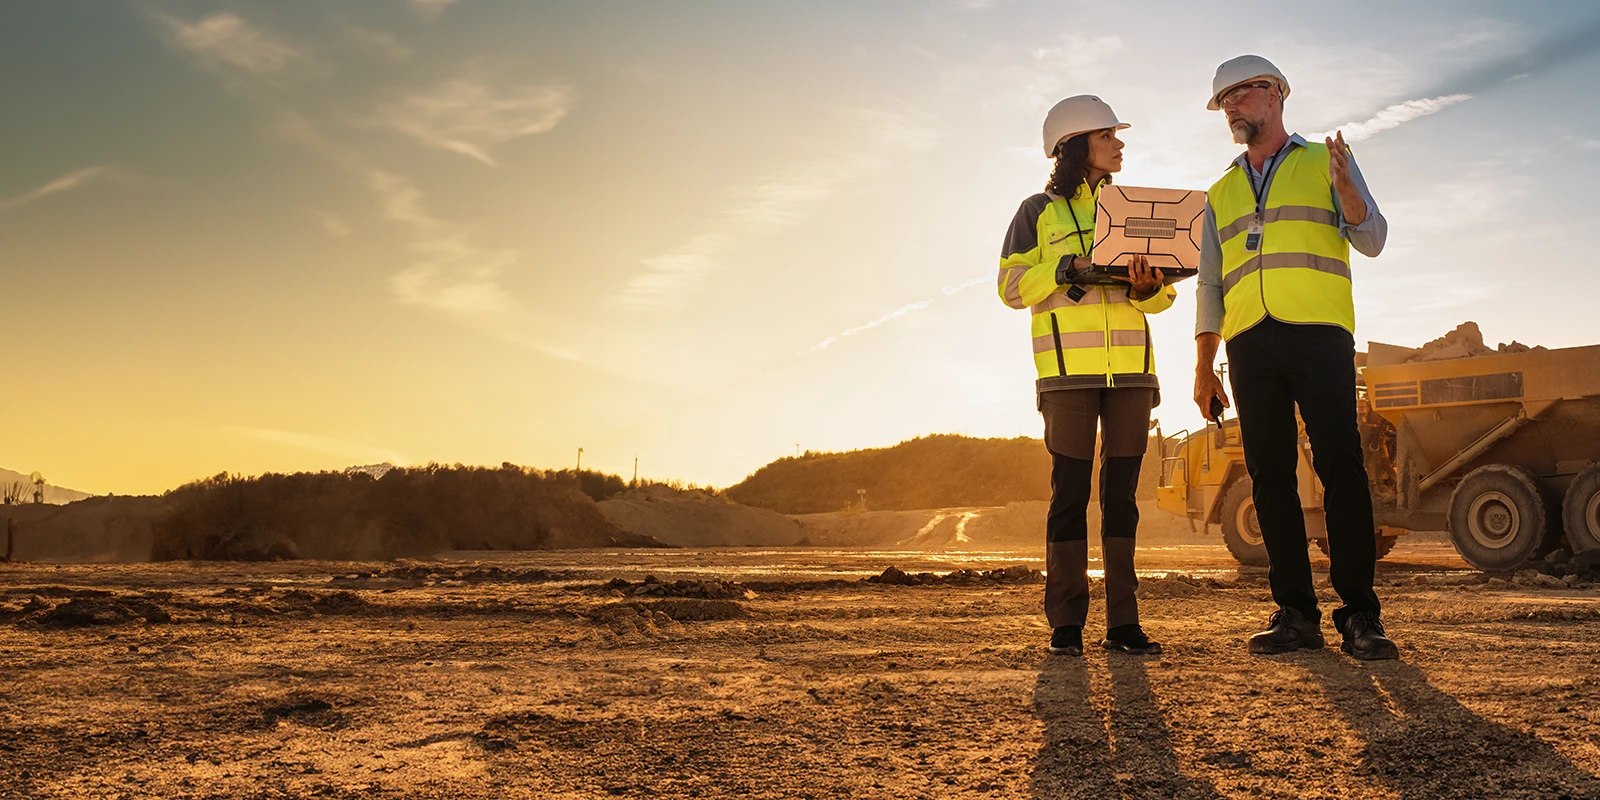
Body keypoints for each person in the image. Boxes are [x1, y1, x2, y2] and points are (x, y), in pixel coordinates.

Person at [1191, 55, 1399, 660]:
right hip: (1249, 340)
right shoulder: (1220, 191)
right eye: (1224, 100)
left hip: (1318, 333)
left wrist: (1348, 195)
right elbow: (1209, 285)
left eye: (1242, 95)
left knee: (1340, 466)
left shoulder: (1324, 161)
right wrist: (1204, 366)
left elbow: (1373, 239)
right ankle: (1295, 614)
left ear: (1276, 95)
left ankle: (1361, 615)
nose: (1232, 107)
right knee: (1269, 477)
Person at [998, 95, 1175, 657]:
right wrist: (1061, 269)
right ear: (1076, 144)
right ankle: (1066, 624)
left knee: (1121, 499)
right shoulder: (1035, 212)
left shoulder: (1133, 208)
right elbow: (1008, 288)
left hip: (1131, 376)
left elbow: (1164, 295)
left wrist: (1149, 288)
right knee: (1069, 496)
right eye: (1108, 136)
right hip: (1066, 377)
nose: (1120, 144)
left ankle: (1124, 625)